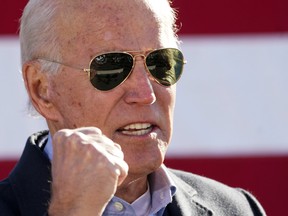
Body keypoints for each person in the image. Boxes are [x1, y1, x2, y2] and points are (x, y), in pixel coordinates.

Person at [0, 0, 266, 215]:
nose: (145, 93)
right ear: (41, 89)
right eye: (111, 67)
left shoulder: (238, 209)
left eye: (160, 62)